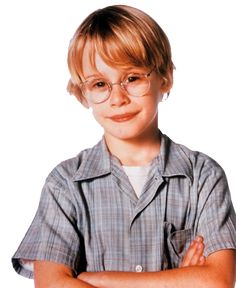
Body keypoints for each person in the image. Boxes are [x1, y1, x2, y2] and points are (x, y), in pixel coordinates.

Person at [12, 4, 236, 288]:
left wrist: (96, 280)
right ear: (83, 94)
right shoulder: (65, 184)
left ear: (164, 77)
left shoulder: (203, 176)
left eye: (132, 78)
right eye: (100, 84)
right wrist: (178, 281)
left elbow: (216, 282)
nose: (117, 98)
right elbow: (53, 284)